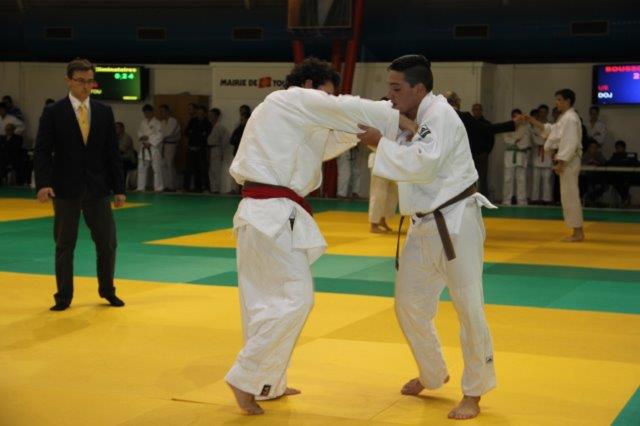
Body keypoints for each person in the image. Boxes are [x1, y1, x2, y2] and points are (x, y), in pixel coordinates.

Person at [226, 57, 400, 415]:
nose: (328, 100)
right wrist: (396, 111)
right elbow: (346, 108)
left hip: (260, 214)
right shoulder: (291, 99)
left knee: (263, 304)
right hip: (271, 213)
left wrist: (363, 133)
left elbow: (327, 141)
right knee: (297, 298)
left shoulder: (283, 113)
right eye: (326, 93)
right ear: (309, 85)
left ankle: (267, 383)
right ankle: (244, 377)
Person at [357, 54, 496, 420]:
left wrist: (379, 142)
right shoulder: (415, 118)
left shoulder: (441, 115)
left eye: (396, 88)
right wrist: (387, 132)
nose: (390, 94)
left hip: (455, 223)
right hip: (422, 224)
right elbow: (404, 152)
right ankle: (433, 372)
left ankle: (475, 391)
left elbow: (422, 164)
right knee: (408, 303)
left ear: (418, 88)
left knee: (468, 308)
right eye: (389, 87)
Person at [33, 58, 126, 311]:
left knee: (107, 242)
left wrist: (119, 188)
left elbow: (112, 153)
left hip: (97, 188)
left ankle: (108, 290)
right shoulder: (54, 112)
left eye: (90, 82)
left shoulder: (104, 111)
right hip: (64, 187)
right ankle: (63, 296)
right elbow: (42, 151)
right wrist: (43, 183)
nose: (86, 86)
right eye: (80, 81)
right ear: (69, 81)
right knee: (65, 245)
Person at [527, 89, 584, 242]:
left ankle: (578, 233)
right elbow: (551, 131)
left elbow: (570, 142)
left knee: (570, 195)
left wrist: (561, 162)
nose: (556, 102)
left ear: (568, 101)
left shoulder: (570, 118)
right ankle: (577, 231)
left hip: (569, 160)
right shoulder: (564, 117)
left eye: (559, 99)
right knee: (567, 195)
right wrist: (532, 121)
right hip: (567, 159)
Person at [444, 93, 518, 197]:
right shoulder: (464, 116)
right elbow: (488, 129)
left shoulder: (439, 116)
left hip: (445, 157)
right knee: (466, 182)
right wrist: (512, 124)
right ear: (457, 101)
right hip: (461, 156)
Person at [501, 108, 530, 206]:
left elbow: (526, 143)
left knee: (521, 180)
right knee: (507, 179)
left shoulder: (526, 128)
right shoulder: (507, 127)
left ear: (521, 117)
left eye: (518, 116)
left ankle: (522, 201)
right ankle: (506, 201)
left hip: (521, 156)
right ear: (512, 117)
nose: (517, 118)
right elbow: (506, 140)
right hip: (509, 155)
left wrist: (513, 140)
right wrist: (516, 140)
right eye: (514, 116)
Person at [183, 105, 211, 192]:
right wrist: (196, 134)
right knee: (189, 168)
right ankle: (186, 187)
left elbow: (205, 135)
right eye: (198, 113)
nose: (199, 115)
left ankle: (204, 187)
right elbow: (186, 132)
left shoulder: (207, 123)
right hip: (191, 147)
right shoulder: (193, 120)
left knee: (202, 168)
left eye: (201, 113)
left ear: (205, 114)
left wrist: (196, 134)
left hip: (201, 148)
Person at [136, 104, 164, 192]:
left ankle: (158, 187)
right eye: (144, 113)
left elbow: (160, 135)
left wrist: (150, 142)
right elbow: (139, 132)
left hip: (153, 148)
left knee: (156, 169)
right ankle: (140, 187)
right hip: (144, 147)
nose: (146, 114)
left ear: (152, 112)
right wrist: (142, 137)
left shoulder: (157, 123)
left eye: (147, 112)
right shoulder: (142, 122)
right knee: (141, 168)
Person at [530, 108, 554, 205]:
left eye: (544, 112)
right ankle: (534, 199)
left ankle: (546, 200)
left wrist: (544, 141)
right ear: (538, 113)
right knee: (535, 180)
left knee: (547, 180)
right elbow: (535, 140)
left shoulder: (551, 126)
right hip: (537, 154)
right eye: (541, 112)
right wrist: (544, 141)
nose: (543, 114)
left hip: (547, 155)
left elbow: (552, 140)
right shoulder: (534, 126)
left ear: (547, 113)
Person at [158, 104, 181, 192]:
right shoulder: (161, 122)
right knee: (163, 165)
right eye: (160, 111)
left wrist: (161, 137)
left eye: (163, 111)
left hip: (171, 144)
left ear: (167, 111)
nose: (161, 113)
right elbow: (160, 133)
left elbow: (170, 133)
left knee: (169, 164)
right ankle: (166, 185)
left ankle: (172, 186)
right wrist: (160, 137)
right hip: (163, 144)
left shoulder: (174, 121)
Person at [207, 107, 229, 194]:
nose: (210, 116)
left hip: (217, 149)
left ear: (217, 116)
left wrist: (222, 151)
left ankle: (216, 189)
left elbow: (225, 139)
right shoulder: (209, 126)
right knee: (210, 170)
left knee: (215, 169)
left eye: (212, 115)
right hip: (209, 149)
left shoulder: (220, 127)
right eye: (209, 115)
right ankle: (212, 188)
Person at [607, 140, 637, 206]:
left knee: (625, 183)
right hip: (618, 177)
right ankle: (625, 198)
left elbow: (636, 164)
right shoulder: (615, 156)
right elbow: (608, 163)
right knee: (615, 182)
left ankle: (625, 198)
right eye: (617, 148)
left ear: (624, 148)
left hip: (629, 177)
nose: (618, 149)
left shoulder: (630, 156)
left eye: (619, 147)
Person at [116, 122, 137, 189]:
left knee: (119, 164)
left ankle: (122, 185)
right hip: (119, 158)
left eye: (117, 128)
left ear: (122, 128)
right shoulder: (115, 137)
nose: (115, 130)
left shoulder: (126, 137)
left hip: (128, 159)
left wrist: (113, 147)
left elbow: (123, 149)